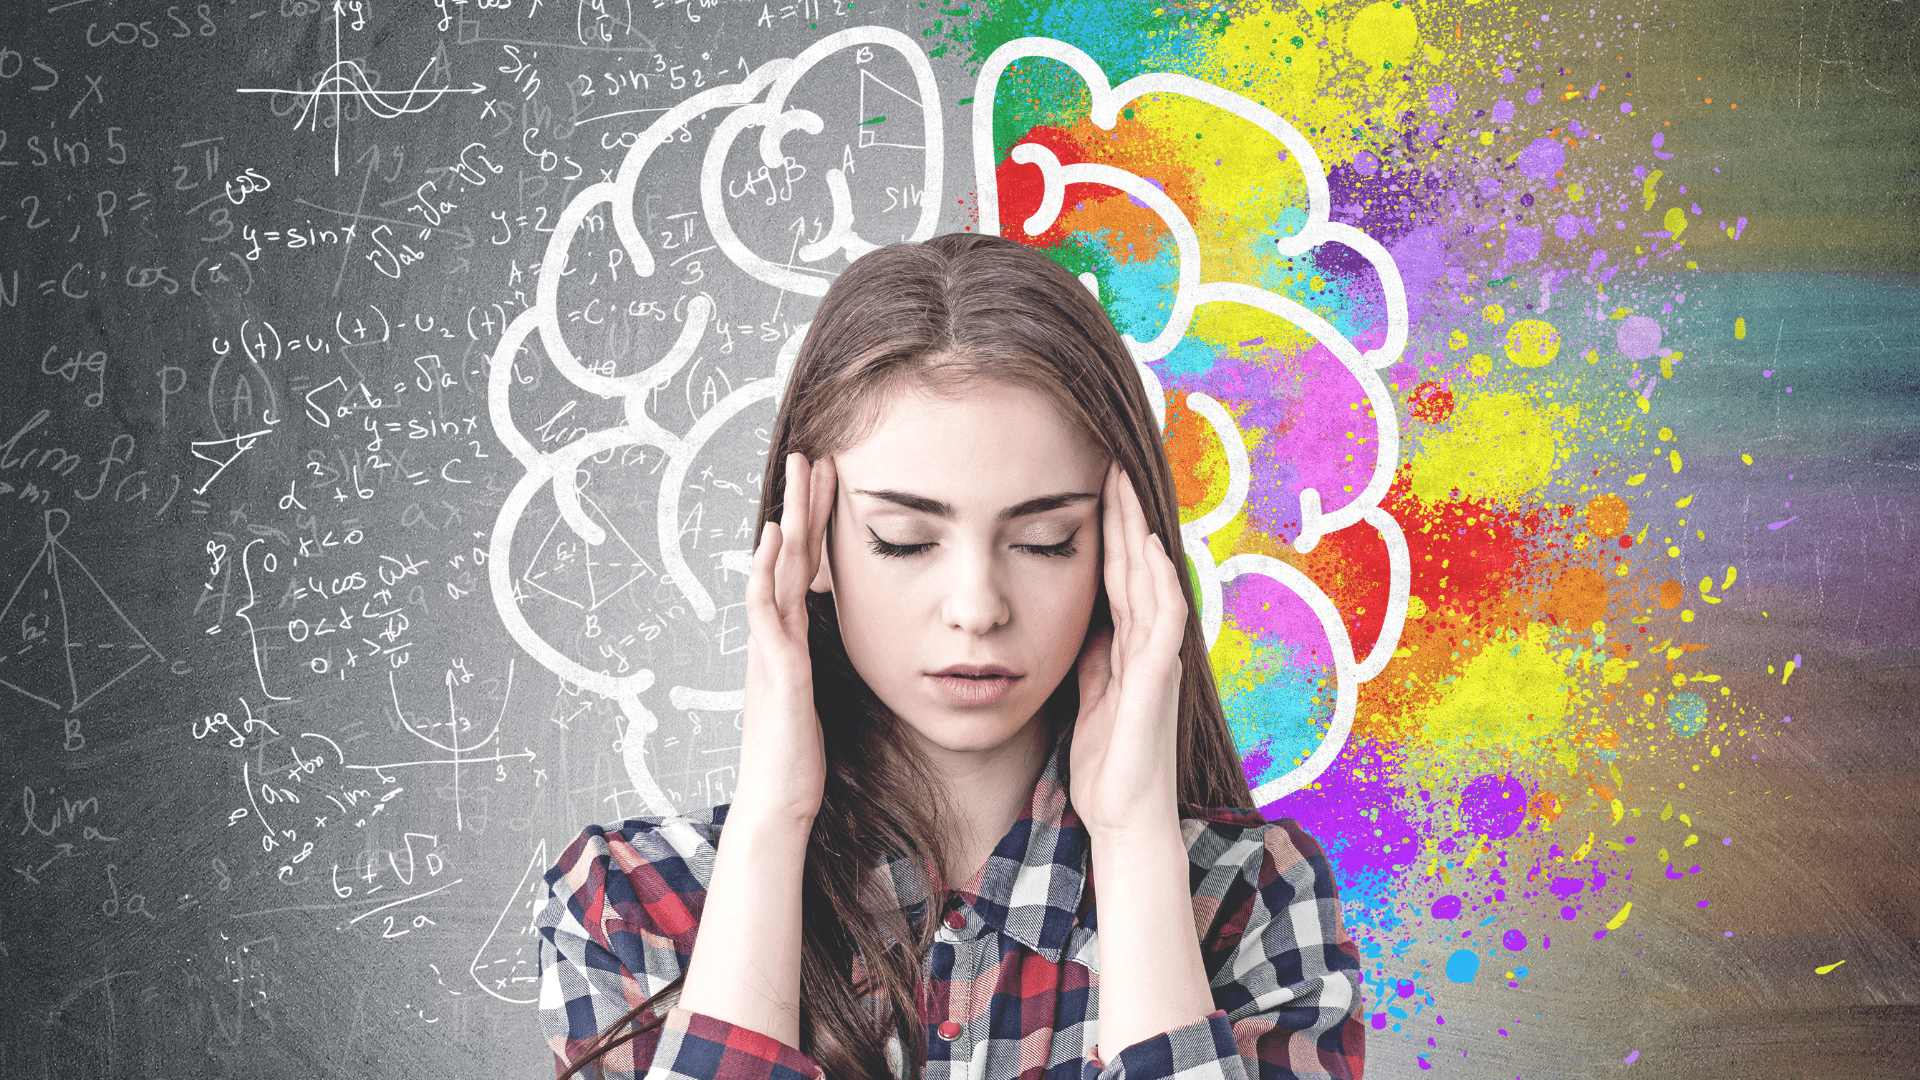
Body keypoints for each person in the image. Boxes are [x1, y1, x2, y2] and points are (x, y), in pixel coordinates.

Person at [536, 233, 1365, 1080]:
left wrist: (1133, 843)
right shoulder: (631, 903)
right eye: (903, 540)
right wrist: (770, 823)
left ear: (1121, 549)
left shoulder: (1257, 901)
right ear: (812, 540)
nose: (977, 609)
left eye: (1045, 540)